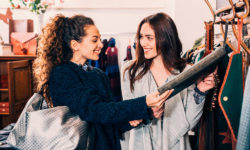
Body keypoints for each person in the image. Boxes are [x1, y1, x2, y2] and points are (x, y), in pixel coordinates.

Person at [32, 14, 173, 150]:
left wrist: (131, 120)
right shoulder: (62, 74)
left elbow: (107, 117)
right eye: (94, 40)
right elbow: (95, 110)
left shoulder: (98, 74)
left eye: (100, 39)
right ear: (75, 45)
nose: (100, 44)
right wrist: (145, 102)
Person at [121, 12, 217, 150]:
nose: (142, 43)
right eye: (141, 37)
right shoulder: (130, 72)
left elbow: (190, 122)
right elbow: (127, 115)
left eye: (149, 38)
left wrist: (200, 91)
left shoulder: (185, 72)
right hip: (140, 144)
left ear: (165, 38)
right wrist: (145, 113)